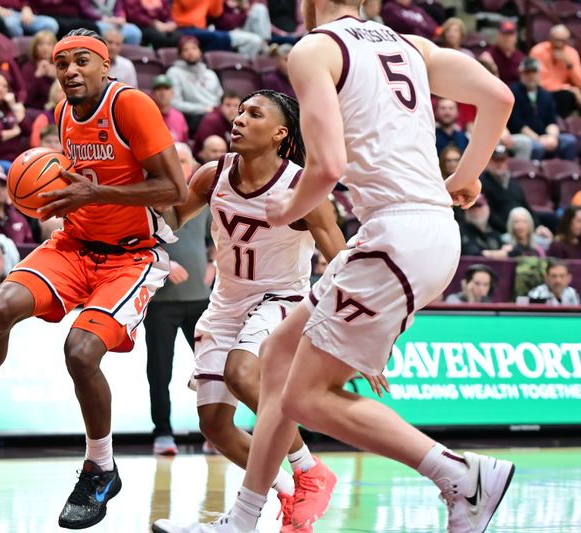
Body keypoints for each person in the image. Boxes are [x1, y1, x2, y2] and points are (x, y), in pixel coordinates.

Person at [152, 0, 515, 530]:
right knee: (277, 360)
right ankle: (242, 519)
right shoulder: (409, 45)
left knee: (305, 396)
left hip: (394, 236)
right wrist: (463, 176)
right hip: (423, 234)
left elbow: (327, 168)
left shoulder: (318, 47)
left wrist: (286, 207)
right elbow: (498, 97)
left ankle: (459, 475)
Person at [0, 28, 187, 530]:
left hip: (132, 257)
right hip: (73, 243)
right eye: (63, 64)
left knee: (81, 352)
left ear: (105, 66)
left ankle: (100, 469)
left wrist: (95, 196)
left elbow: (172, 190)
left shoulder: (130, 105)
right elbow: (74, 188)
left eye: (82, 61)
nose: (70, 71)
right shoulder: (65, 114)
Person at [158, 89, 346, 528]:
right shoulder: (211, 174)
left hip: (282, 298)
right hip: (226, 302)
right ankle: (287, 494)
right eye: (239, 111)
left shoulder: (303, 186)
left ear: (280, 133)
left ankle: (309, 470)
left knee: (241, 373)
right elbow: (169, 220)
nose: (239, 119)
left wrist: (359, 328)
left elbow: (339, 260)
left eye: (254, 114)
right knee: (215, 425)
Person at [145, 142, 211, 456]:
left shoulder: (204, 203)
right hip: (161, 304)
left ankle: (215, 431)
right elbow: (136, 248)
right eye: (176, 160)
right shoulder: (149, 203)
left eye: (185, 160)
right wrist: (164, 264)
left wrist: (214, 264)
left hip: (201, 301)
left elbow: (219, 242)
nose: (181, 166)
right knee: (160, 372)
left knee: (212, 371)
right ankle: (162, 432)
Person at [508, 57, 578, 161]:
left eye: (534, 72)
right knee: (537, 147)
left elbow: (552, 121)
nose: (531, 76)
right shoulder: (513, 93)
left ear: (539, 74)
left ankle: (570, 173)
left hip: (545, 136)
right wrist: (538, 139)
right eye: (527, 72)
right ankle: (535, 174)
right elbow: (516, 124)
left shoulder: (546, 95)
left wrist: (552, 137)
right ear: (521, 74)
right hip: (525, 137)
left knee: (569, 141)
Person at [167, 35, 224, 133]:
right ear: (180, 54)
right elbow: (175, 103)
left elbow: (221, 98)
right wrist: (203, 109)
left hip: (216, 114)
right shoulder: (174, 72)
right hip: (193, 117)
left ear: (200, 51)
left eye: (194, 48)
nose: (190, 52)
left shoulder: (210, 74)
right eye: (186, 50)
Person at [529, 24, 581, 118]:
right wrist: (567, 88)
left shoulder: (571, 53)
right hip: (542, 92)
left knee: (567, 96)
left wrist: (570, 65)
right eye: (556, 40)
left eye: (563, 41)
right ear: (550, 38)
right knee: (562, 95)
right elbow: (539, 81)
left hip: (565, 95)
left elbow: (579, 82)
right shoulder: (538, 51)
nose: (559, 44)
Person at [193, 91, 241, 159]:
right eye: (228, 105)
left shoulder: (241, 120)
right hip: (205, 161)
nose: (232, 109)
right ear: (221, 106)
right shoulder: (211, 121)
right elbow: (208, 151)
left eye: (236, 105)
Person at [479, 21, 524, 86]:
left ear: (516, 37)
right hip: (496, 90)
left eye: (510, 34)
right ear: (498, 36)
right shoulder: (489, 55)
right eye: (504, 34)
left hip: (516, 93)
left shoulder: (521, 57)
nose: (507, 38)